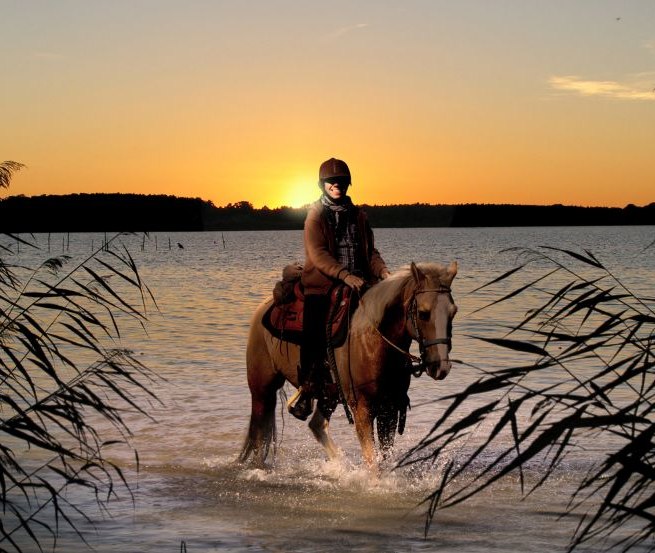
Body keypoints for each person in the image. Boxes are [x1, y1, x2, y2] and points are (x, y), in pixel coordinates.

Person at [288, 158, 390, 421]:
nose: (336, 185)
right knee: (314, 326)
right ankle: (308, 385)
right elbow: (318, 255)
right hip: (324, 285)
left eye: (341, 181)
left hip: (359, 281)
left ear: (348, 183)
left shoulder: (358, 215)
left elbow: (370, 252)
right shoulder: (315, 216)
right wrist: (345, 276)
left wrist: (383, 272)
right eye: (331, 181)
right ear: (322, 185)